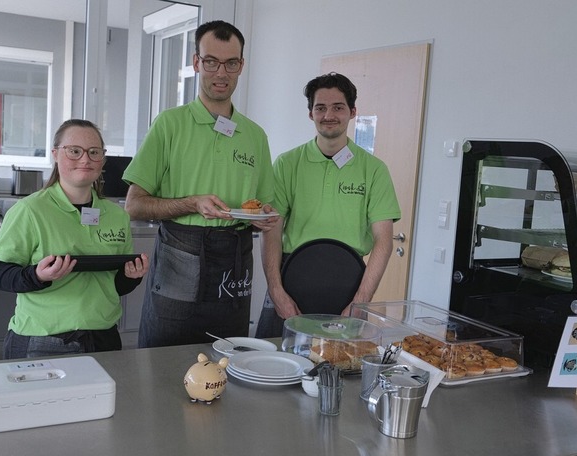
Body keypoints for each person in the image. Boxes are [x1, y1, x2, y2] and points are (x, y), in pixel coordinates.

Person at [123, 20, 277, 348]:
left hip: (233, 266)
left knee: (227, 363)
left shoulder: (255, 136)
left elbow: (265, 206)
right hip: (179, 256)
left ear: (241, 66)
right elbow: (135, 204)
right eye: (211, 62)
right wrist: (191, 203)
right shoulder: (170, 124)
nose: (221, 73)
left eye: (231, 63)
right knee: (161, 366)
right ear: (196, 63)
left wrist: (264, 216)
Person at [255, 72, 401, 338]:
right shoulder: (288, 164)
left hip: (349, 287)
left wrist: (361, 299)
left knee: (341, 369)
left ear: (352, 111)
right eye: (320, 108)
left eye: (338, 107)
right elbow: (272, 229)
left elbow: (384, 241)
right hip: (291, 279)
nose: (328, 115)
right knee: (274, 361)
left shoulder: (374, 170)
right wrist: (276, 290)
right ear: (311, 113)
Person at [0, 119, 149, 359]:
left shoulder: (116, 216)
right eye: (74, 151)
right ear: (55, 154)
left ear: (103, 159)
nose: (85, 159)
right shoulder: (29, 211)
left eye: (94, 152)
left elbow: (114, 287)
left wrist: (131, 277)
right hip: (42, 341)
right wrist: (37, 276)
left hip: (103, 339)